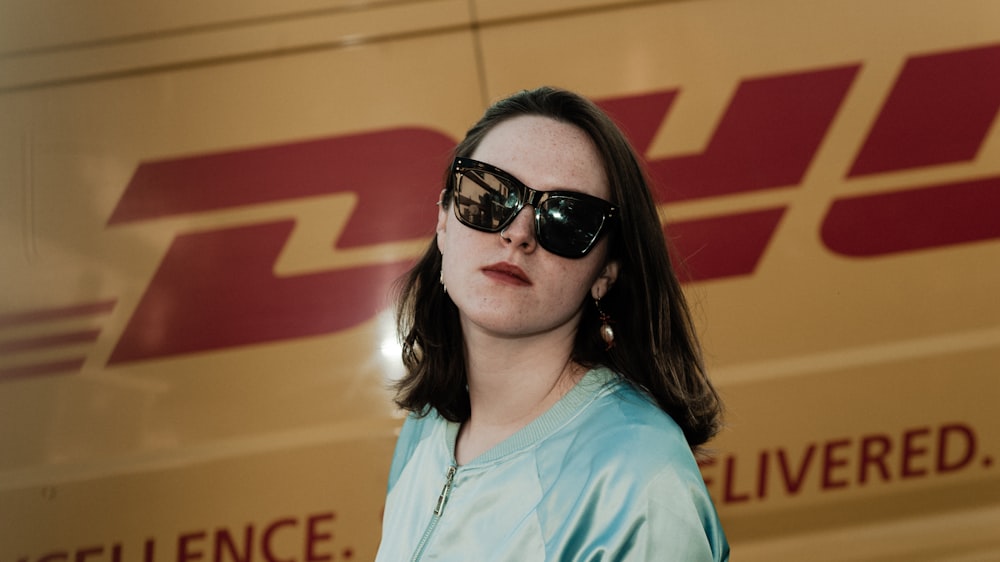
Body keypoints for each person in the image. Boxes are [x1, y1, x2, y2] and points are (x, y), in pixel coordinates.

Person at [375, 86, 729, 561]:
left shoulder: (639, 482)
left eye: (566, 218)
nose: (517, 233)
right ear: (443, 219)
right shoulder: (428, 426)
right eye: (490, 194)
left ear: (605, 272)